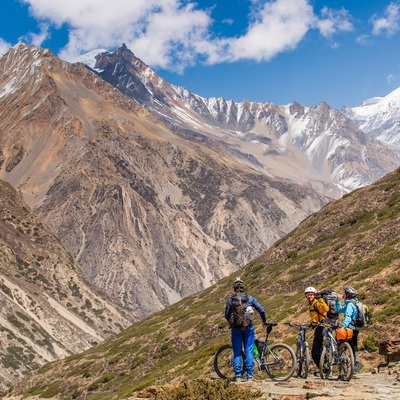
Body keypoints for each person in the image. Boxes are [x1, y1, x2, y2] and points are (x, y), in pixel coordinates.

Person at [225, 277, 267, 382]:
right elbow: (261, 310)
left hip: (236, 329)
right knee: (249, 351)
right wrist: (264, 321)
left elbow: (226, 314)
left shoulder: (231, 300)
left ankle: (238, 376)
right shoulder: (250, 298)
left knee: (237, 351)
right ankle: (249, 376)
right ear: (243, 288)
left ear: (234, 288)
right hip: (248, 329)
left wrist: (232, 322)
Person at [335, 286, 360, 373]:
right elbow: (340, 309)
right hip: (355, 328)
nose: (343, 294)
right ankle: (355, 365)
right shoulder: (352, 303)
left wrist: (343, 327)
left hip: (349, 328)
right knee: (354, 346)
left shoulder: (350, 305)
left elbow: (348, 317)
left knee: (342, 344)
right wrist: (337, 301)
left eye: (345, 293)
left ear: (348, 295)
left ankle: (348, 365)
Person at [304, 286, 330, 373]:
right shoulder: (311, 305)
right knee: (314, 353)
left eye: (311, 295)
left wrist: (320, 299)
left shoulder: (317, 303)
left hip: (323, 327)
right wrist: (311, 324)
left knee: (324, 349)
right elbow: (315, 317)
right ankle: (322, 369)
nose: (309, 296)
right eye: (308, 295)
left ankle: (326, 368)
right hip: (317, 328)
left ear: (314, 295)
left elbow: (326, 309)